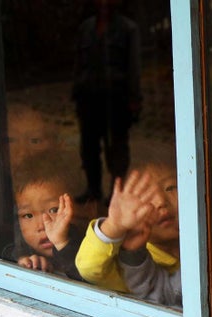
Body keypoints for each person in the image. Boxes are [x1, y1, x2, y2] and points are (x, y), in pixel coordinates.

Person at [75, 157, 180, 294]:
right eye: (145, 195)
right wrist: (113, 226)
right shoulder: (126, 260)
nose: (160, 201)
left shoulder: (201, 239)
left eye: (171, 187)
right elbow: (89, 268)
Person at [72, 0, 142, 203]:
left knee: (117, 148)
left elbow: (134, 67)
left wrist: (134, 99)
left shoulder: (129, 29)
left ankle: (115, 192)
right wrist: (76, 93)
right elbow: (78, 64)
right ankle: (93, 189)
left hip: (116, 99)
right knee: (88, 147)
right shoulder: (86, 28)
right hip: (89, 99)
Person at [7, 159, 84, 281]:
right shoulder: (17, 247)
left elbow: (87, 276)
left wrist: (62, 244)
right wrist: (22, 261)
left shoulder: (87, 244)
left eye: (53, 210)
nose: (42, 226)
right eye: (28, 216)